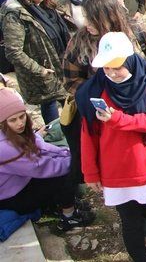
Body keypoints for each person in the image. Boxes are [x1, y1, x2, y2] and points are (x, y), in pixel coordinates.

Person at [76, 32, 146, 261]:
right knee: (130, 220)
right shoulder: (92, 92)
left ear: (130, 61)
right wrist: (90, 172)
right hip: (116, 170)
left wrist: (117, 119)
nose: (111, 73)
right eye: (106, 68)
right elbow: (88, 135)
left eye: (117, 67)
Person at [61, 0, 146, 197]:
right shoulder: (80, 42)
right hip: (105, 119)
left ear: (108, 15)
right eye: (85, 16)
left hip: (141, 110)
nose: (86, 22)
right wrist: (98, 93)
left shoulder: (137, 31)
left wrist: (139, 88)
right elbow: (70, 80)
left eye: (92, 17)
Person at [0, 88, 95, 232]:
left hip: (20, 184)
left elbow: (39, 147)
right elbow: (42, 167)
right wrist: (76, 161)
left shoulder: (11, 134)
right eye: (13, 120)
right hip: (12, 199)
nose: (20, 123)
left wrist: (67, 153)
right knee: (63, 175)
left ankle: (58, 205)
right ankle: (69, 217)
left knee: (63, 164)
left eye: (22, 116)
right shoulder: (5, 147)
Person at [0, 0, 72, 124]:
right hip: (41, 72)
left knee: (70, 105)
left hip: (60, 64)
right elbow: (13, 51)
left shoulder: (49, 8)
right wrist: (40, 70)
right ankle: (55, 138)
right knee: (50, 105)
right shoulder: (16, 15)